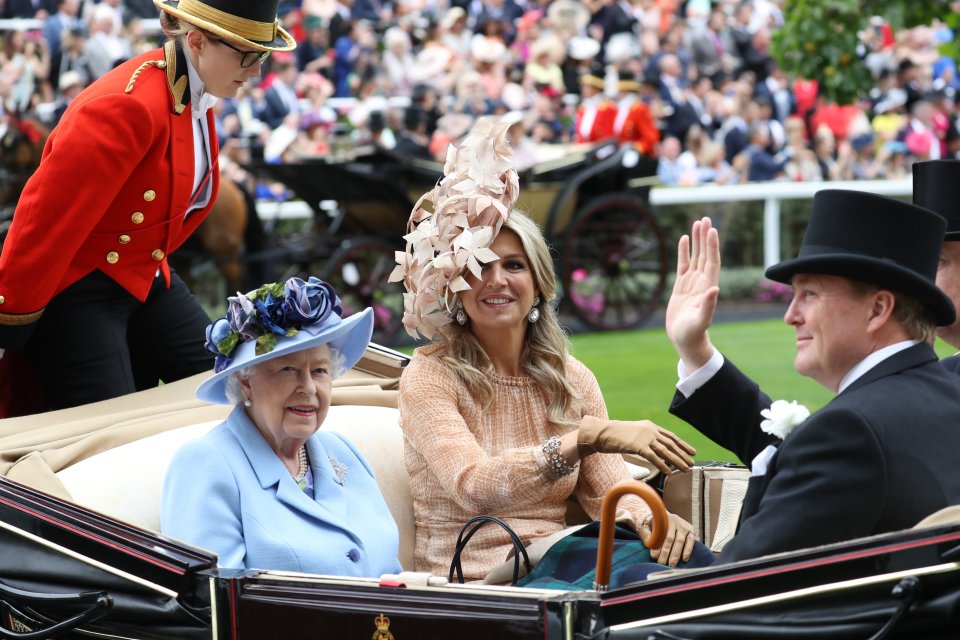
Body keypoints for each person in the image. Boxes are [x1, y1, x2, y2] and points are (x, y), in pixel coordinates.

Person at [391, 118, 701, 583]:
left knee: (691, 567)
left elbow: (609, 490)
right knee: (637, 585)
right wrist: (583, 438)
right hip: (482, 581)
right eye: (479, 267)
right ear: (456, 288)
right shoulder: (430, 376)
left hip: (560, 563)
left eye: (513, 265)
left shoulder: (572, 378)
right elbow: (473, 486)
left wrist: (651, 519)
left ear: (537, 284)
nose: (495, 280)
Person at [0, 0, 295, 413]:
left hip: (147, 275)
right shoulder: (127, 102)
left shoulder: (196, 89)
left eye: (262, 55)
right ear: (195, 41)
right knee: (111, 436)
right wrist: (9, 320)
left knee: (235, 394)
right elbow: (42, 219)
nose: (257, 70)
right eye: (249, 55)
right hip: (80, 286)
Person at [665, 191, 960, 563]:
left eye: (810, 293)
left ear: (878, 309)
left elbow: (732, 586)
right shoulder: (947, 395)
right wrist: (695, 351)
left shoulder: (848, 431)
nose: (791, 315)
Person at [161, 277, 402, 577]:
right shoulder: (207, 463)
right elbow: (212, 604)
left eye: (320, 371)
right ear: (245, 381)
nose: (309, 388)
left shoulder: (341, 450)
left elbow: (393, 573)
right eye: (288, 370)